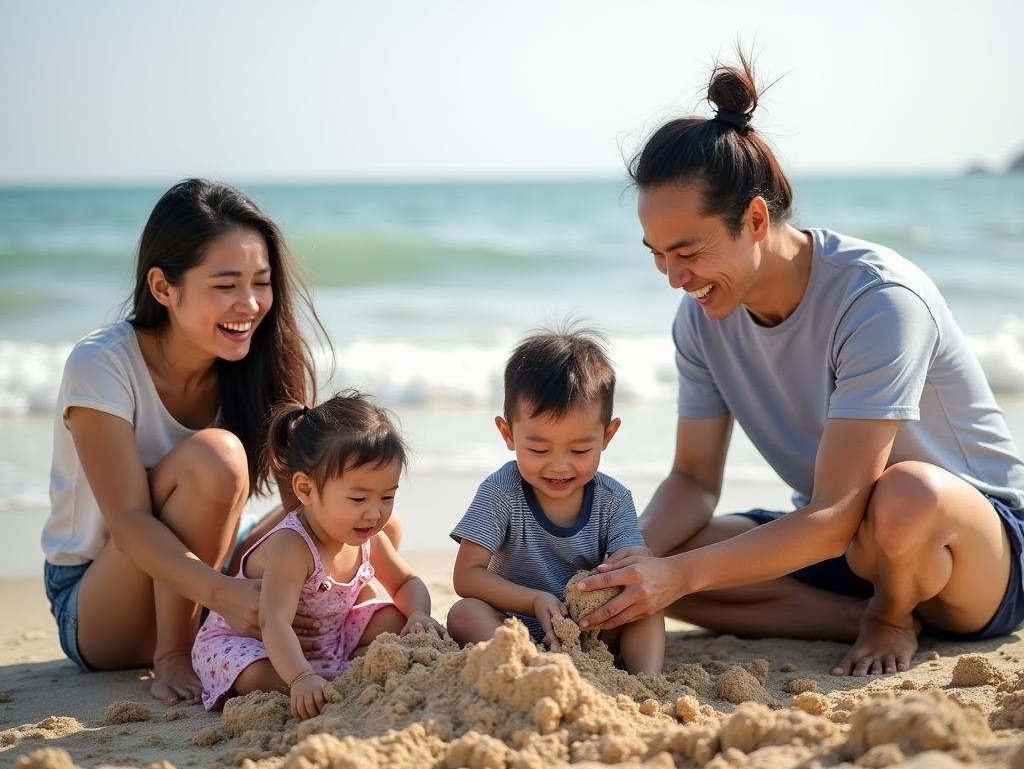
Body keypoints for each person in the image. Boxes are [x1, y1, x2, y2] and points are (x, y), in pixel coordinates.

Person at [574, 54, 1024, 677]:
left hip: (974, 550)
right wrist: (626, 558)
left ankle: (894, 617)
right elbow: (694, 482)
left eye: (688, 251)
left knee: (906, 493)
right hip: (847, 546)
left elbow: (838, 511)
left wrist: (674, 577)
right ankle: (846, 618)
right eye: (657, 255)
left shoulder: (879, 300)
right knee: (663, 553)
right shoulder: (701, 318)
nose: (675, 278)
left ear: (755, 220)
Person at [41, 178, 329, 704]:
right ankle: (176, 652)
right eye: (224, 285)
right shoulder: (101, 365)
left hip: (206, 580)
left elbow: (300, 504)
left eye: (260, 282)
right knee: (215, 459)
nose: (249, 304)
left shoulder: (259, 362)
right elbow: (127, 523)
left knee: (353, 514)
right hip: (97, 605)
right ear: (162, 287)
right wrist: (225, 594)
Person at [192, 391, 442, 719]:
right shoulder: (291, 545)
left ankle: (340, 671)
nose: (374, 513)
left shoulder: (369, 538)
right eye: (358, 499)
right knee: (254, 673)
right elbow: (273, 621)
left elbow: (406, 581)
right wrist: (300, 676)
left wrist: (419, 614)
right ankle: (310, 682)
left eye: (386, 497)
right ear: (306, 490)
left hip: (329, 638)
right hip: (259, 644)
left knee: (394, 617)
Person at [447, 328, 665, 675]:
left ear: (607, 436)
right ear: (508, 434)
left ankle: (648, 682)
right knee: (463, 614)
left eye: (579, 450)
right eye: (538, 449)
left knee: (647, 604)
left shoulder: (614, 500)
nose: (559, 465)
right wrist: (533, 600)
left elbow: (630, 566)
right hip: (514, 627)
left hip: (590, 630)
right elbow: (466, 576)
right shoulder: (501, 491)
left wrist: (634, 563)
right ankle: (530, 670)